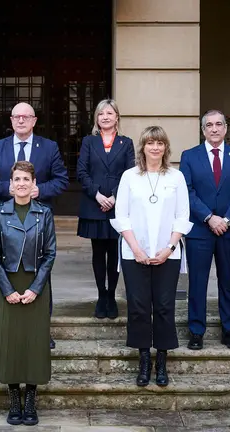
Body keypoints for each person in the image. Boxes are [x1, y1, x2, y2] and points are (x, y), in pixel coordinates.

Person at [0, 102, 68, 349]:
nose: (21, 121)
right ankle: (9, 328)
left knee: (41, 271)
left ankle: (42, 329)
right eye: (16, 117)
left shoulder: (48, 148)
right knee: (7, 269)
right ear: (11, 121)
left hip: (38, 218)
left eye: (26, 117)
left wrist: (40, 190)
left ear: (34, 121)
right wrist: (8, 188)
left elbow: (61, 180)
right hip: (7, 218)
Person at [110, 126, 193, 388]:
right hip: (134, 252)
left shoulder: (176, 177)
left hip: (168, 252)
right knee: (138, 306)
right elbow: (121, 216)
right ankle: (144, 359)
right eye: (150, 143)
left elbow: (183, 216)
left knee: (165, 306)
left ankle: (162, 361)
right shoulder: (129, 176)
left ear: (166, 148)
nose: (155, 147)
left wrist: (169, 247)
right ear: (142, 147)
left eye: (160, 143)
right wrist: (136, 249)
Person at [0, 160, 55, 426]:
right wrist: (7, 290)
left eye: (26, 179)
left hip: (36, 284)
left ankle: (31, 400)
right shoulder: (0, 212)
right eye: (17, 179)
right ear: (10, 184)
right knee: (10, 342)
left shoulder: (44, 213)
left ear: (34, 184)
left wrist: (35, 289)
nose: (21, 184)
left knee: (34, 343)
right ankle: (13, 399)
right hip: (8, 283)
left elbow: (50, 253)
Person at [180, 110, 230, 350]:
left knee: (228, 281)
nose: (214, 129)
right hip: (200, 230)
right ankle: (196, 331)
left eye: (219, 124)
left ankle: (229, 330)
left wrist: (227, 220)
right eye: (209, 125)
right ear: (203, 130)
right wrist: (209, 218)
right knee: (197, 282)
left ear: (225, 128)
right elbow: (187, 192)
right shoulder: (189, 156)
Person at [76, 99, 134, 319]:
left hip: (118, 206)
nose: (106, 117)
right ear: (96, 118)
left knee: (115, 253)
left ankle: (112, 295)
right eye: (101, 114)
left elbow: (130, 173)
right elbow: (82, 172)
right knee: (98, 254)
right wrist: (98, 195)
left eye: (110, 113)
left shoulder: (126, 143)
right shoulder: (88, 142)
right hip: (94, 205)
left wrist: (114, 197)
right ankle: (101, 295)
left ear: (117, 117)